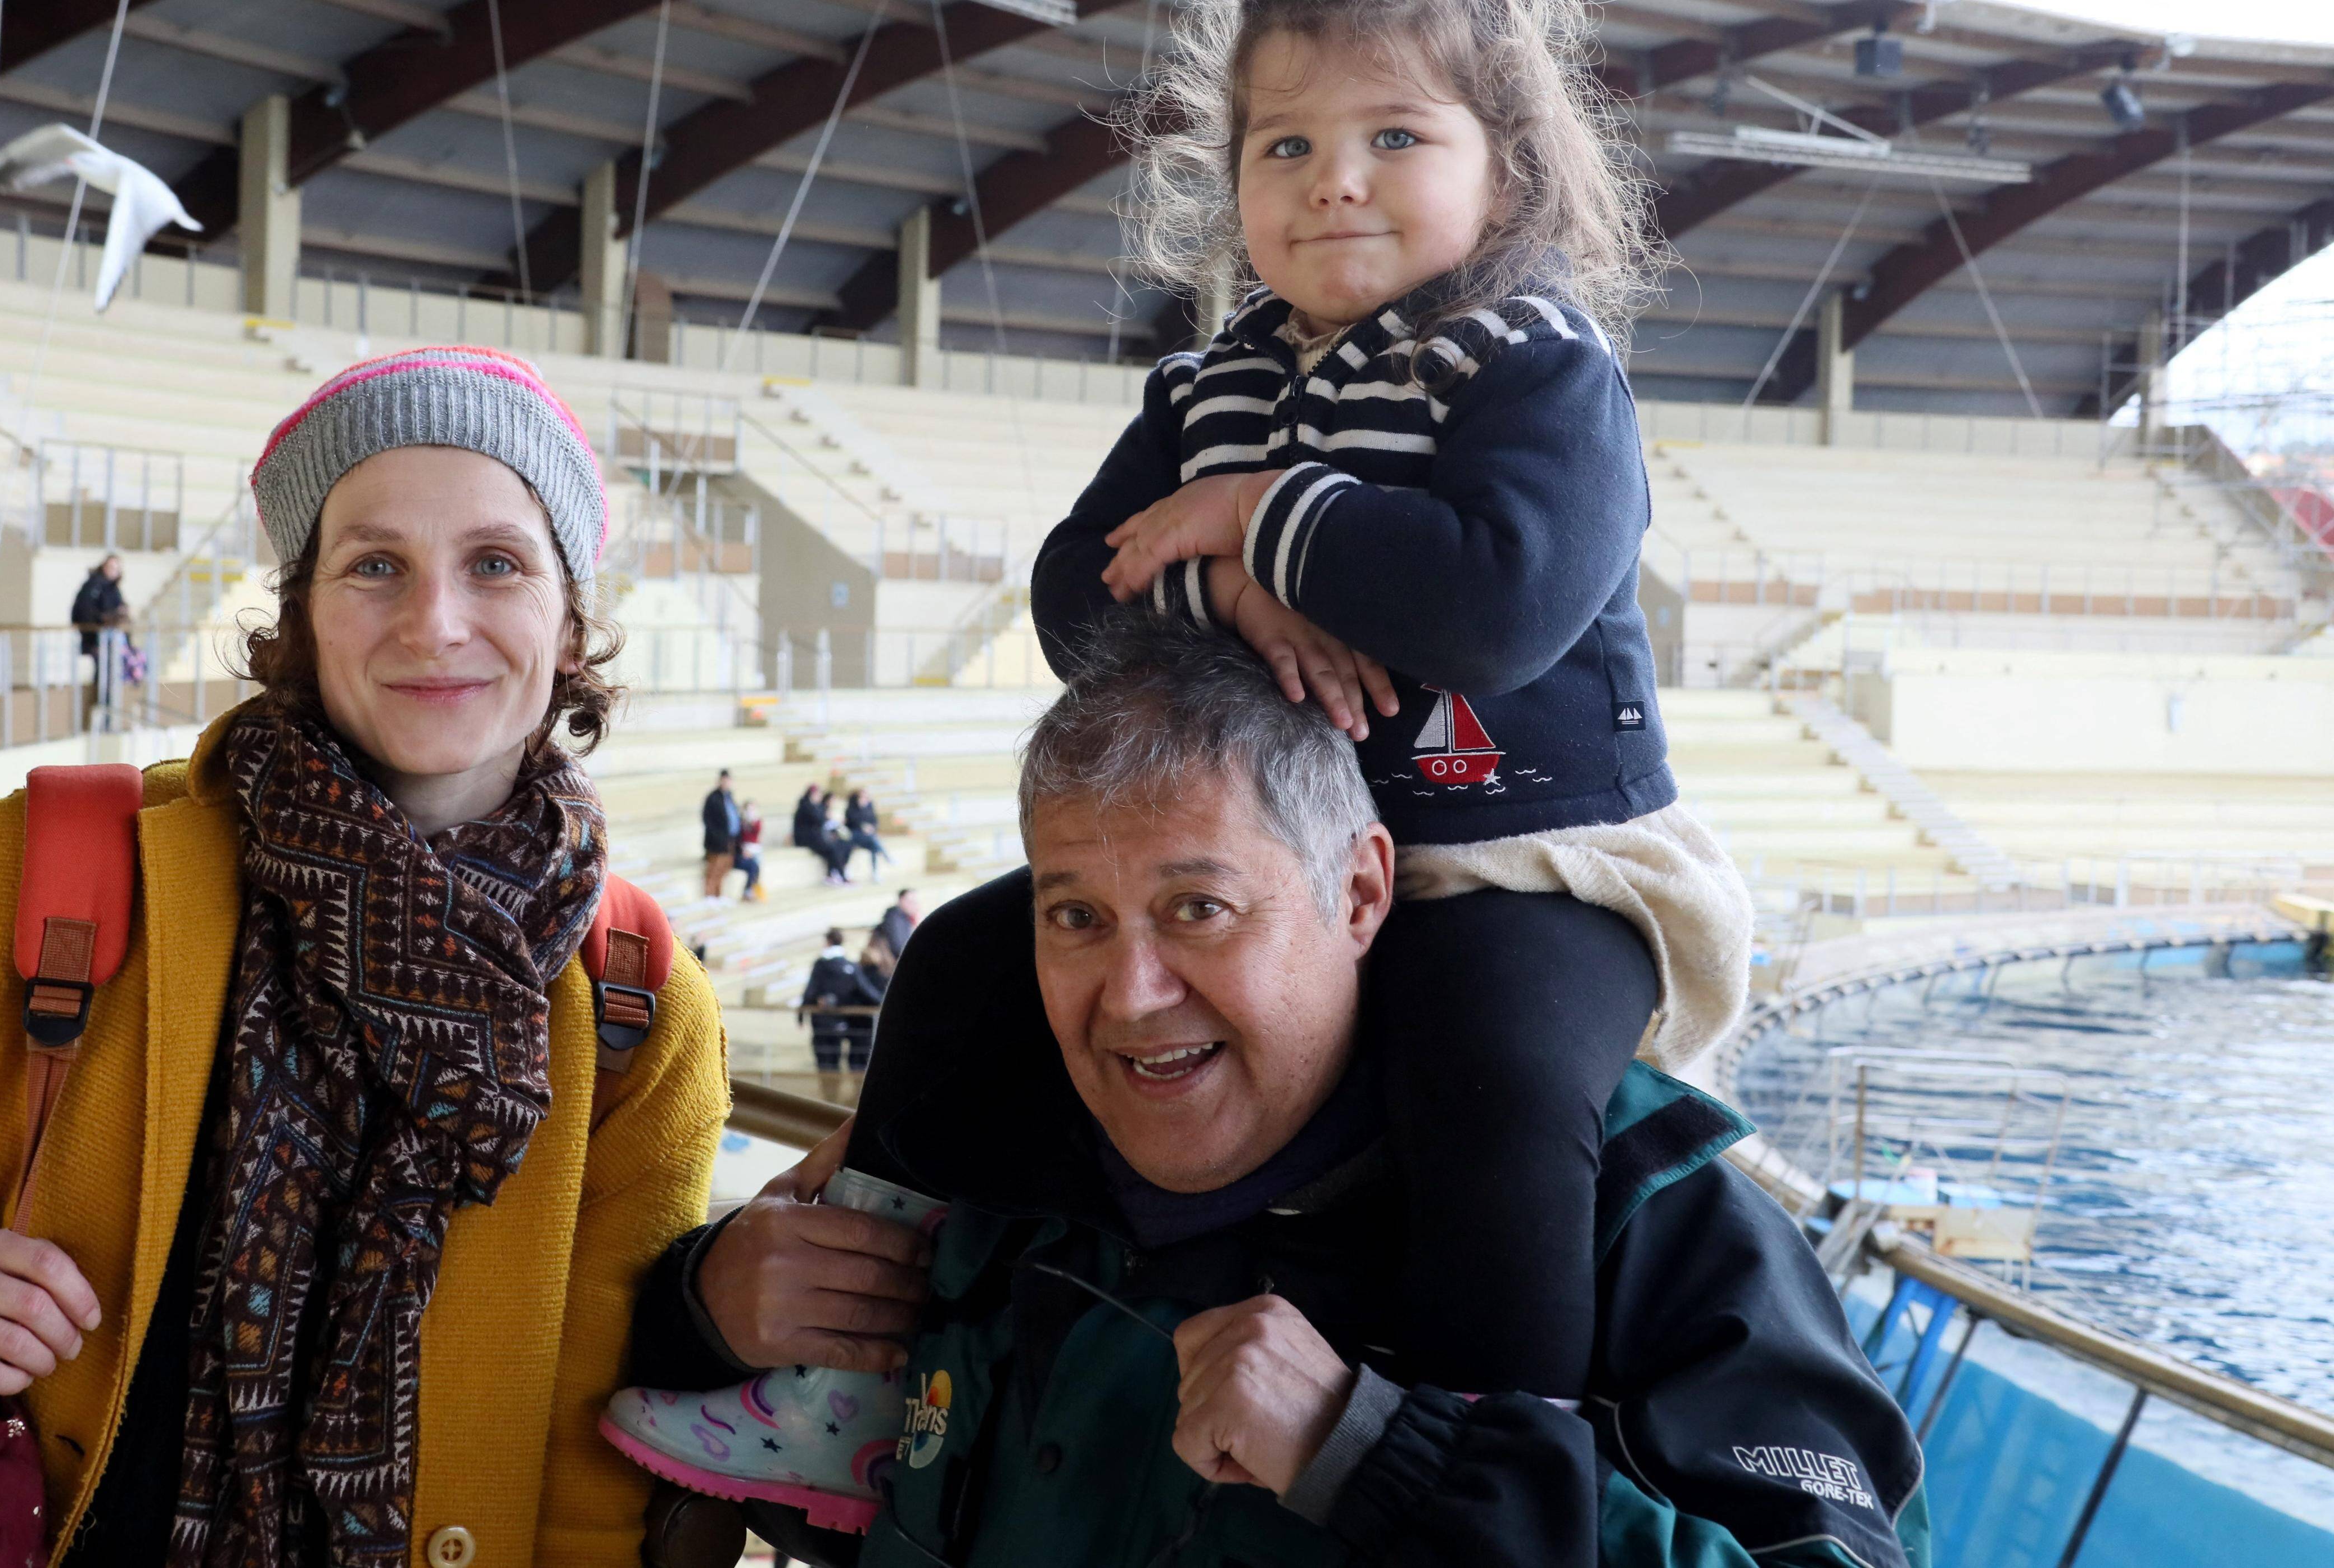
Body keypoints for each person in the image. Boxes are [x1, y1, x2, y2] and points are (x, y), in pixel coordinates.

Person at [0, 344, 729, 1568]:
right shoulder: (32, 870)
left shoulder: (640, 1003)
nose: (435, 621)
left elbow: (589, 1474)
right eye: (373, 564)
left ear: (569, 616)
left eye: (496, 562)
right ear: (302, 610)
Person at [612, 616, 1925, 1565]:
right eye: (1075, 916)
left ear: (1357, 892)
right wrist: (701, 1311)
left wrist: (1385, 1459)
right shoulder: (976, 1166)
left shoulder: (1635, 1219)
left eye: (1198, 907)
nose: (1131, 994)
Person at [1033, 0, 1752, 1407]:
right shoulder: (1203, 385)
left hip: (1529, 863)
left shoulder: (1536, 363)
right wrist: (1229, 596)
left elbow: (1497, 608)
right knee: (979, 968)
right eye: (1284, 142)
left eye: (1396, 136)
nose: (1333, 178)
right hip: (1285, 872)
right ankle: (891, 1309)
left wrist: (1258, 511)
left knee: (1490, 1076)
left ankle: (1492, 1449)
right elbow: (1070, 600)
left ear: (1509, 169)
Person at [794, 927, 885, 1105]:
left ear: (828, 942)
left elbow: (810, 992)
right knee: (837, 1062)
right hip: (842, 1025)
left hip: (823, 1025)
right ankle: (837, 1104)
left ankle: (829, 1102)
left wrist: (801, 1016)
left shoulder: (821, 966)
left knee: (826, 1065)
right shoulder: (850, 966)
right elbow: (869, 993)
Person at [71, 553, 129, 727]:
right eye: (110, 567)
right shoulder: (93, 587)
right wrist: (95, 634)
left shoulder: (113, 589)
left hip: (111, 641)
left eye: (116, 568)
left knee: (112, 676)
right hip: (97, 641)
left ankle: (108, 718)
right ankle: (103, 720)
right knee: (103, 678)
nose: (113, 571)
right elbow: (83, 613)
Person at [700, 767, 740, 902]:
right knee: (714, 868)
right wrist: (717, 836)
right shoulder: (713, 798)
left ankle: (718, 894)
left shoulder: (730, 797)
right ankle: (709, 895)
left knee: (725, 867)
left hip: (730, 839)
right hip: (717, 841)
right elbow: (708, 820)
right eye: (724, 780)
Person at [841, 785, 891, 880]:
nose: (865, 799)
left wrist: (871, 828)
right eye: (862, 797)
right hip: (854, 835)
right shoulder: (851, 809)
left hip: (866, 836)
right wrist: (863, 825)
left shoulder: (868, 807)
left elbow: (874, 820)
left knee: (873, 845)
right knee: (872, 840)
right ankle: (886, 855)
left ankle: (875, 872)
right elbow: (853, 822)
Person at [733, 798, 765, 902]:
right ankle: (748, 892)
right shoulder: (741, 822)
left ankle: (753, 891)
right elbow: (740, 837)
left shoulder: (757, 821)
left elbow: (757, 831)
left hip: (756, 849)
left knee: (757, 870)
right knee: (753, 868)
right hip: (745, 849)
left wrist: (752, 822)